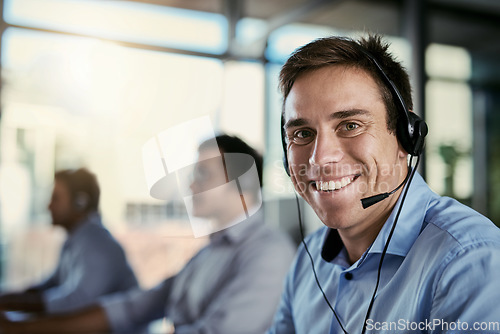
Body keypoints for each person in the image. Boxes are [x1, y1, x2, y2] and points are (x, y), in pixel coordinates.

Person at [268, 35, 500, 333]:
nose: (320, 159)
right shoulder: (309, 258)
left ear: (407, 138)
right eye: (301, 134)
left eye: (350, 125)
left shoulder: (471, 261)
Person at [0, 134, 296, 334]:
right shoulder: (209, 253)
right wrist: (18, 327)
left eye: (203, 175)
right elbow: (134, 307)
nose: (191, 186)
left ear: (241, 185)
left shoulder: (269, 253)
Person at [0, 168, 138, 315]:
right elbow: (52, 283)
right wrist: (13, 297)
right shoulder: (76, 239)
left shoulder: (99, 245)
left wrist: (12, 303)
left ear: (80, 203)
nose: (49, 206)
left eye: (56, 198)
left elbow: (78, 304)